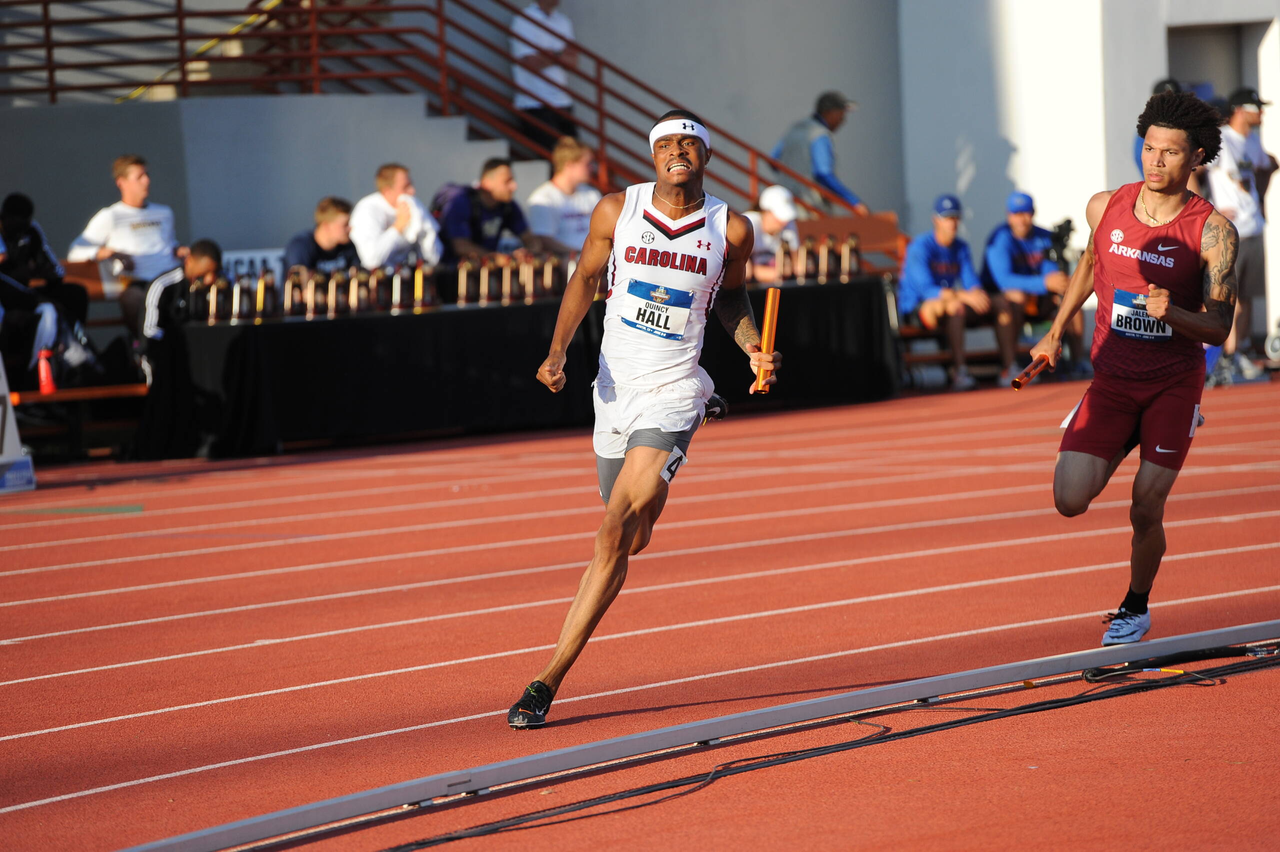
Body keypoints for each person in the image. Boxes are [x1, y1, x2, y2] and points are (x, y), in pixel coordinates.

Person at [506, 109, 780, 729]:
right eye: (666, 143)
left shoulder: (731, 230)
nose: (677, 149)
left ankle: (546, 680)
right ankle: (642, 507)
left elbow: (731, 298)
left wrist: (752, 348)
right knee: (631, 533)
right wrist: (555, 354)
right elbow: (583, 280)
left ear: (705, 157)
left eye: (690, 142)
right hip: (612, 389)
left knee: (611, 530)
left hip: (676, 388)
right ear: (653, 155)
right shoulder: (615, 211)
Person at [1030, 91, 1237, 646]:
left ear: (1195, 158)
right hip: (1112, 380)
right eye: (1149, 149)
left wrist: (1179, 315)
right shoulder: (1107, 206)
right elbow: (1090, 264)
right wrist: (1053, 334)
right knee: (1069, 500)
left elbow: (1218, 327)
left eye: (1170, 153)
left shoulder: (1213, 232)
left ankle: (1134, 606)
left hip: (1173, 383)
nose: (1156, 162)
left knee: (1146, 504)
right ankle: (1119, 434)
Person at [899, 194, 1015, 390]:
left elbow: (971, 282)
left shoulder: (961, 247)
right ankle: (960, 372)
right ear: (936, 220)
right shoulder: (920, 247)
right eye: (946, 218)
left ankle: (1010, 368)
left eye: (955, 217)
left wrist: (978, 294)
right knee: (956, 306)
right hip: (918, 308)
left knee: (1000, 303)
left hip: (953, 303)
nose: (952, 223)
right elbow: (927, 290)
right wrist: (964, 295)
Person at [66, 154, 184, 341]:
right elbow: (75, 252)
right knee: (133, 300)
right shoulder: (111, 216)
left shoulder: (164, 213)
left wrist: (180, 251)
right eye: (139, 177)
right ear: (121, 182)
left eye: (147, 175)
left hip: (170, 281)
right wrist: (106, 252)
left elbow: (167, 246)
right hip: (139, 284)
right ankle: (146, 349)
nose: (147, 181)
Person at [1206, 87, 1276, 382]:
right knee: (1227, 295)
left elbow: (1268, 164)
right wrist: (1210, 208)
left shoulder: (1253, 141)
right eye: (1255, 107)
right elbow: (1195, 170)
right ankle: (1227, 356)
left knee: (1247, 297)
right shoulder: (1221, 140)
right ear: (1240, 109)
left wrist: (1258, 199)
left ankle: (1243, 351)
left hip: (1253, 228)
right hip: (1230, 232)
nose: (1261, 113)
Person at [983, 191, 1085, 372]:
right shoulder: (999, 238)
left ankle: (1078, 362)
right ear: (1009, 215)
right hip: (1002, 298)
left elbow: (1051, 271)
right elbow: (1004, 280)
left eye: (1026, 213)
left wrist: (1059, 282)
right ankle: (1010, 367)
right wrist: (1044, 283)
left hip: (1037, 298)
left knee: (1071, 296)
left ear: (1033, 213)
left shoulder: (1043, 236)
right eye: (1017, 214)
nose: (1022, 219)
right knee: (1016, 297)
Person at [437, 157, 567, 263]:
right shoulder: (461, 201)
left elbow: (532, 240)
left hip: (487, 271)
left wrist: (527, 252)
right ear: (487, 183)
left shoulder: (508, 206)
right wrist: (496, 257)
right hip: (451, 274)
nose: (514, 186)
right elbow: (461, 247)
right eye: (507, 181)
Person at [770, 91, 870, 217]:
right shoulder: (819, 134)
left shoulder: (796, 128)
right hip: (808, 207)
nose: (843, 120)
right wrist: (854, 202)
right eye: (841, 114)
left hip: (785, 202)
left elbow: (773, 161)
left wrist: (791, 177)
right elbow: (823, 173)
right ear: (830, 112)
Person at [0, 193, 89, 326]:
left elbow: (54, 269)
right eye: (15, 225)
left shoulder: (31, 230)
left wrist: (42, 271)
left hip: (26, 293)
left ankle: (74, 342)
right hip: (7, 295)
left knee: (75, 294)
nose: (19, 232)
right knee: (36, 309)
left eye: (24, 224)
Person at [509, 0, 579, 155]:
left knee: (575, 161)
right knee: (553, 162)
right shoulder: (524, 19)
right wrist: (560, 54)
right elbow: (530, 62)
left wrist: (547, 55)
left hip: (563, 102)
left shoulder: (563, 21)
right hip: (535, 104)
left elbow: (573, 61)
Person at [349, 163, 443, 270]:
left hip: (405, 276)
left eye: (411, 185)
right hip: (375, 280)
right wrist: (398, 226)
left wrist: (423, 228)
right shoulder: (367, 211)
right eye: (405, 187)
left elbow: (434, 258)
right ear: (387, 192)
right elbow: (372, 260)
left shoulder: (415, 206)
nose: (412, 191)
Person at [526, 137, 602, 254]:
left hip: (594, 259)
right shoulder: (543, 198)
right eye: (587, 164)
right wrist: (579, 255)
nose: (592, 168)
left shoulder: (592, 194)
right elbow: (544, 240)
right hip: (566, 261)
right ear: (569, 165)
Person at [283, 197, 361, 273]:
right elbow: (298, 281)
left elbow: (358, 277)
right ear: (326, 226)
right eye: (345, 224)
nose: (350, 228)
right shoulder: (301, 246)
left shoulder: (348, 246)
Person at [743, 185, 799, 284]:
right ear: (766, 211)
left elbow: (797, 264)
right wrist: (777, 273)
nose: (784, 222)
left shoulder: (789, 224)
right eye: (779, 215)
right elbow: (743, 271)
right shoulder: (749, 223)